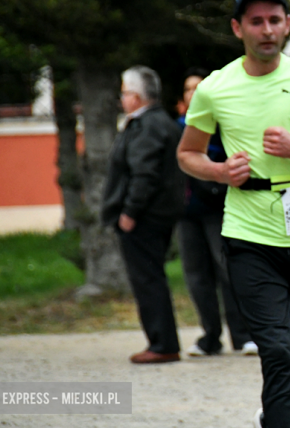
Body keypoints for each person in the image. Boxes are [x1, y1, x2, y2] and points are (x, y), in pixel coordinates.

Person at [176, 0, 290, 428]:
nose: (267, 29)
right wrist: (217, 171)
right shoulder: (215, 88)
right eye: (256, 21)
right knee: (276, 349)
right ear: (238, 28)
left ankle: (273, 414)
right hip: (248, 234)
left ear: (288, 25)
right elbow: (186, 154)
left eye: (275, 20)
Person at [101, 65, 185, 364]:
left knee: (147, 279)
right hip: (157, 213)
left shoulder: (146, 125)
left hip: (145, 216)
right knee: (152, 277)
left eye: (124, 93)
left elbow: (143, 173)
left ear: (135, 97)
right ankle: (162, 341)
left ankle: (162, 344)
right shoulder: (161, 122)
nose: (122, 98)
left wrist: (129, 211)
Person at [176, 67, 257, 357]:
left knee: (227, 271)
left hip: (217, 209)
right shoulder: (177, 126)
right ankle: (209, 336)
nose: (193, 93)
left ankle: (243, 335)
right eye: (188, 89)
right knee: (196, 275)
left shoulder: (220, 124)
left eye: (198, 87)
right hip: (186, 213)